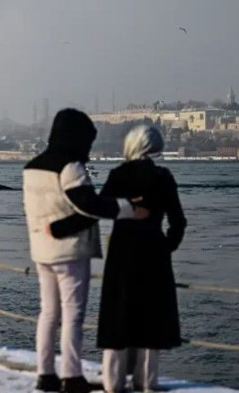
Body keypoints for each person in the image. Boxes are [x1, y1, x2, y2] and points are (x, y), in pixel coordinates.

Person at [24, 109, 150, 393]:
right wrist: (130, 209)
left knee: (48, 314)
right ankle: (71, 375)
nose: (89, 148)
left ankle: (45, 374)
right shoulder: (70, 167)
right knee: (72, 315)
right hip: (69, 251)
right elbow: (88, 204)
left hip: (40, 250)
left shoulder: (31, 167)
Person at [97, 125, 186, 393]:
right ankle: (146, 382)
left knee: (119, 316)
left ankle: (112, 382)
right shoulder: (163, 177)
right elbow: (178, 221)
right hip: (153, 254)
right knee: (151, 319)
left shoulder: (117, 175)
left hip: (122, 253)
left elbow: (102, 207)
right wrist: (166, 246)